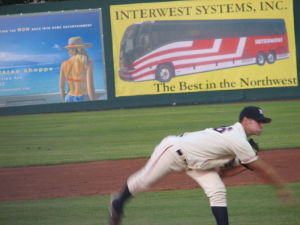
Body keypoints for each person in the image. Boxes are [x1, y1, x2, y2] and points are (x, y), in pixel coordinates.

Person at [109, 106, 293, 225]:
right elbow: (263, 169)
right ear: (246, 121)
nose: (262, 125)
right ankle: (118, 204)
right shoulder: (237, 138)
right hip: (173, 151)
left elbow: (222, 174)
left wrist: (243, 165)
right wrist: (281, 188)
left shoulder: (238, 141)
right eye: (259, 121)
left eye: (263, 122)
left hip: (198, 165)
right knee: (143, 182)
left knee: (217, 190)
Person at [60, 36, 95, 102]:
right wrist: (93, 102)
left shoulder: (64, 64)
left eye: (68, 49)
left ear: (73, 50)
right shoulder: (88, 63)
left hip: (68, 97)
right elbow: (90, 87)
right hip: (83, 97)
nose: (68, 51)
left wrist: (64, 100)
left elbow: (62, 87)